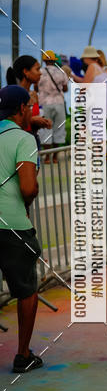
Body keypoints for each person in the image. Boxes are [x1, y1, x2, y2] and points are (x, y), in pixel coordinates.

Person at [0, 86, 44, 373]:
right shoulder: (23, 138)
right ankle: (23, 355)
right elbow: (27, 187)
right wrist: (31, 194)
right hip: (12, 225)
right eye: (29, 106)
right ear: (21, 109)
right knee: (26, 289)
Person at [6, 55, 51, 147]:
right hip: (19, 142)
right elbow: (10, 122)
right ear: (26, 71)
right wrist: (32, 120)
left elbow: (33, 124)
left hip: (33, 140)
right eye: (37, 69)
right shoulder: (14, 94)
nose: (40, 73)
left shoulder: (34, 95)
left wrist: (42, 122)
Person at [37, 50, 68, 162]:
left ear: (44, 61)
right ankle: (55, 157)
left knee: (46, 128)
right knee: (58, 128)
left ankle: (47, 157)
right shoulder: (61, 72)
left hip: (44, 103)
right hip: (59, 103)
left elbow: (36, 88)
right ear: (54, 60)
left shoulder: (40, 72)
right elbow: (65, 88)